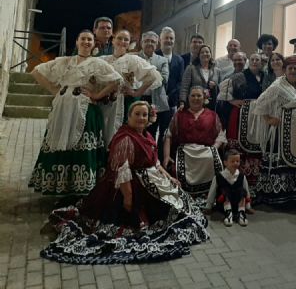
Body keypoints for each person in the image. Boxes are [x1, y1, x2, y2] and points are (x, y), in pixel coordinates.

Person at [41, 101, 209, 264]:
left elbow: (154, 163)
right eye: (137, 114)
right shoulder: (125, 139)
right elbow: (122, 174)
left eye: (144, 115)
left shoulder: (146, 134)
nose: (141, 118)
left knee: (180, 203)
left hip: (150, 181)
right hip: (129, 186)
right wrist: (128, 198)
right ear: (129, 116)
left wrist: (169, 177)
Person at [29, 30, 122, 195]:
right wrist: (54, 90)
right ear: (77, 42)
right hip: (62, 109)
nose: (86, 42)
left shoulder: (97, 63)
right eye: (83, 39)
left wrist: (97, 95)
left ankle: (79, 188)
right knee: (58, 140)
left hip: (84, 108)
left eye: (89, 40)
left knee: (81, 144)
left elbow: (116, 80)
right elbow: (36, 71)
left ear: (94, 44)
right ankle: (59, 185)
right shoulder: (65, 61)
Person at [253, 56, 296, 204]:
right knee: (281, 161)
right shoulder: (277, 86)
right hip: (281, 132)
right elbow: (260, 102)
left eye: (295, 68)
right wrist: (268, 119)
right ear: (284, 70)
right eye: (290, 68)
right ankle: (277, 196)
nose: (293, 71)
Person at [164, 86, 226, 201]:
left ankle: (209, 198)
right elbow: (168, 135)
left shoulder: (212, 115)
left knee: (213, 161)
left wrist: (213, 149)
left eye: (199, 96)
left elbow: (221, 135)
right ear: (188, 98)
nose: (196, 98)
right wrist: (166, 156)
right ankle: (186, 199)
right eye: (193, 95)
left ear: (204, 98)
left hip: (206, 151)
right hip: (185, 152)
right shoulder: (179, 114)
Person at [101, 29, 162, 146]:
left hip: (126, 102)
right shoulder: (104, 59)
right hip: (106, 102)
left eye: (126, 39)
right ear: (113, 40)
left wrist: (136, 93)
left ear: (129, 44)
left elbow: (153, 76)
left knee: (124, 136)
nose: (122, 41)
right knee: (104, 133)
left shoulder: (133, 60)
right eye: (119, 38)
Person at [218, 53, 265, 194]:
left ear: (261, 62)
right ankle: (236, 184)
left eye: (258, 59)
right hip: (240, 114)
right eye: (253, 59)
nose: (255, 61)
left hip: (258, 116)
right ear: (248, 62)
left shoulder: (265, 77)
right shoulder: (238, 76)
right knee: (239, 147)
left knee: (257, 147)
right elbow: (223, 94)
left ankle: (255, 185)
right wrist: (232, 101)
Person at [138, 31, 171, 152]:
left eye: (153, 41)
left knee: (152, 133)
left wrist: (144, 76)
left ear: (157, 44)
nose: (150, 43)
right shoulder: (135, 58)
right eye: (147, 41)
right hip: (139, 99)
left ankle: (151, 158)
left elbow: (164, 79)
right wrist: (153, 75)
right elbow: (131, 78)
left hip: (156, 101)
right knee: (137, 131)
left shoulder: (162, 60)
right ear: (141, 43)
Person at [205, 149, 251, 227]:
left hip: (237, 204)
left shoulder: (241, 176)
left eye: (237, 161)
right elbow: (212, 192)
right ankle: (228, 213)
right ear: (225, 163)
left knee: (242, 191)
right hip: (223, 204)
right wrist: (209, 206)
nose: (235, 163)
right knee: (225, 191)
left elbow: (247, 191)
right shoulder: (219, 176)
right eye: (232, 161)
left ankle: (241, 213)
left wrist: (248, 206)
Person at [180, 44, 222, 111]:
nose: (205, 54)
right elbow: (184, 87)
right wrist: (182, 102)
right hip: (194, 103)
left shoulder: (217, 71)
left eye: (207, 52)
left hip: (211, 105)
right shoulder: (191, 68)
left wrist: (215, 86)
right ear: (198, 55)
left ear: (211, 54)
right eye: (202, 52)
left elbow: (221, 88)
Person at [158, 26, 184, 112]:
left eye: (171, 38)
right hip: (154, 102)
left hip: (171, 103)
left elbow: (180, 82)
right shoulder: (153, 56)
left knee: (169, 126)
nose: (169, 40)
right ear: (160, 40)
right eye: (166, 38)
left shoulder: (179, 60)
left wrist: (170, 96)